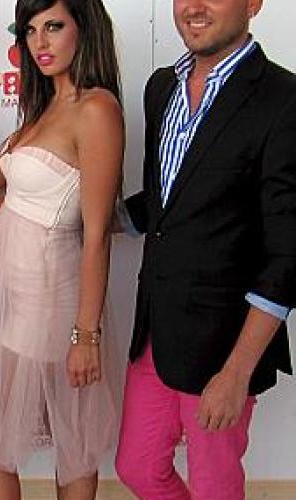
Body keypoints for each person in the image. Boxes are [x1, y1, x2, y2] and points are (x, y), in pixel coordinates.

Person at [114, 1, 296, 499]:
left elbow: (287, 253)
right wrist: (88, 219)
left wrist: (236, 374)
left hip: (225, 344)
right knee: (137, 468)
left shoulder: (283, 98)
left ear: (253, 3)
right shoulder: (161, 88)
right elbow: (167, 200)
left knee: (215, 488)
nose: (192, 7)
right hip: (156, 330)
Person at [0, 1, 124, 499]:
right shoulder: (43, 108)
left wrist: (86, 335)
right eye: (30, 30)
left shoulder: (96, 109)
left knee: (16, 444)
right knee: (27, 443)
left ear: (84, 28)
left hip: (50, 302)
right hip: (14, 300)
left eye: (54, 26)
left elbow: (96, 233)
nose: (40, 42)